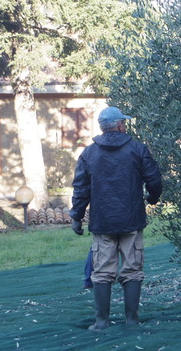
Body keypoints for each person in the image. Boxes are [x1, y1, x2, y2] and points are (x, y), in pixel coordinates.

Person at [70, 106, 163, 331]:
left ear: (103, 128)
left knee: (102, 271)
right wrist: (153, 197)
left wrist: (76, 216)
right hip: (131, 220)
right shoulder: (137, 149)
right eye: (124, 122)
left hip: (103, 223)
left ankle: (101, 321)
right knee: (132, 268)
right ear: (120, 125)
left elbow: (81, 188)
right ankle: (132, 320)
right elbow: (154, 178)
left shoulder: (89, 153)